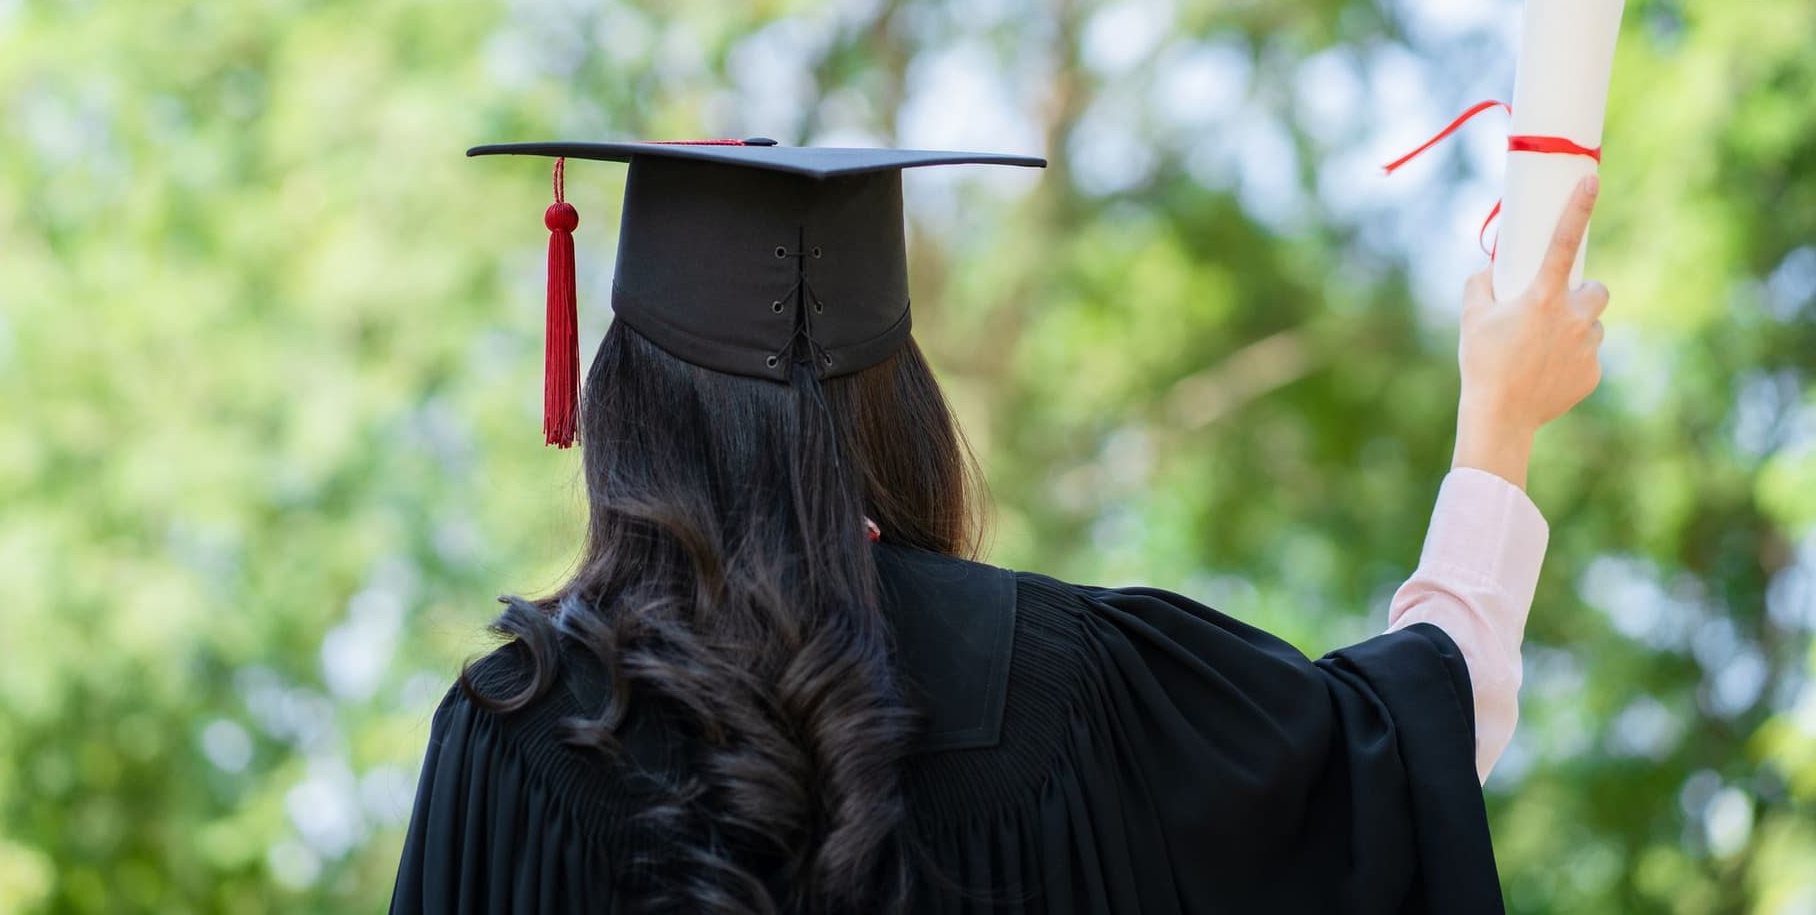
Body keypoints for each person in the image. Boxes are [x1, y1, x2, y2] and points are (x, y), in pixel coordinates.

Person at [389, 138, 1608, 914]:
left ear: (624, 403)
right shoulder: (1089, 685)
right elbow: (1397, 757)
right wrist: (1497, 420)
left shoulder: (516, 735)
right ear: (899, 394)